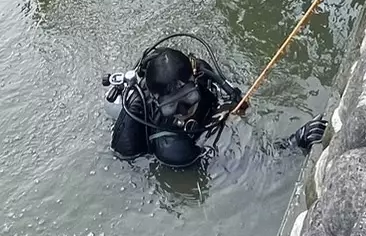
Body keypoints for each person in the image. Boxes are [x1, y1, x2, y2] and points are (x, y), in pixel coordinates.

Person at [106, 36, 326, 169]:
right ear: (155, 101)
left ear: (194, 79)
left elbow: (234, 97)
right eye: (173, 106)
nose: (184, 111)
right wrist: (291, 146)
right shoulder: (139, 111)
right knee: (177, 153)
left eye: (188, 99)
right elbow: (230, 167)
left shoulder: (199, 72)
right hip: (163, 143)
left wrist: (236, 109)